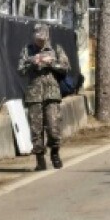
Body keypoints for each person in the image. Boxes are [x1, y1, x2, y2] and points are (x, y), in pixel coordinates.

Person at [18, 23, 71, 171]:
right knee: (36, 129)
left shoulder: (56, 49)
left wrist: (51, 63)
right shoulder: (27, 50)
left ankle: (55, 151)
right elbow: (20, 70)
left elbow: (65, 68)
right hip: (34, 95)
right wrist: (32, 62)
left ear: (47, 36)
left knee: (54, 128)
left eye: (42, 39)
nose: (40, 42)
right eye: (38, 39)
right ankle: (40, 159)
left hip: (52, 94)